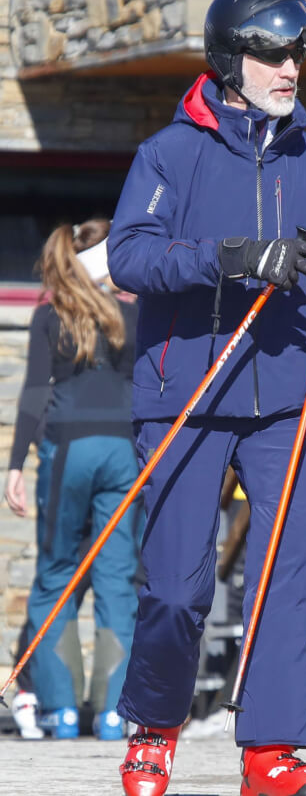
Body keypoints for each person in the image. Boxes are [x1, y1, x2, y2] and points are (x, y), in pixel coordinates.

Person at [107, 0, 306, 794]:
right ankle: (154, 730)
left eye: (298, 53)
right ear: (228, 61)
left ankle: (271, 751)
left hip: (284, 402)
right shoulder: (171, 152)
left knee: (283, 574)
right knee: (175, 586)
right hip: (187, 395)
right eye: (272, 53)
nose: (289, 68)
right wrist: (231, 256)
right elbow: (129, 257)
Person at [4, 219, 141, 740]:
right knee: (117, 579)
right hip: (124, 450)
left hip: (69, 448)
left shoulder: (49, 316)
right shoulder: (133, 313)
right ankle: (111, 715)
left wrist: (16, 464)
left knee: (56, 575)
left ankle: (60, 712)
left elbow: (36, 392)